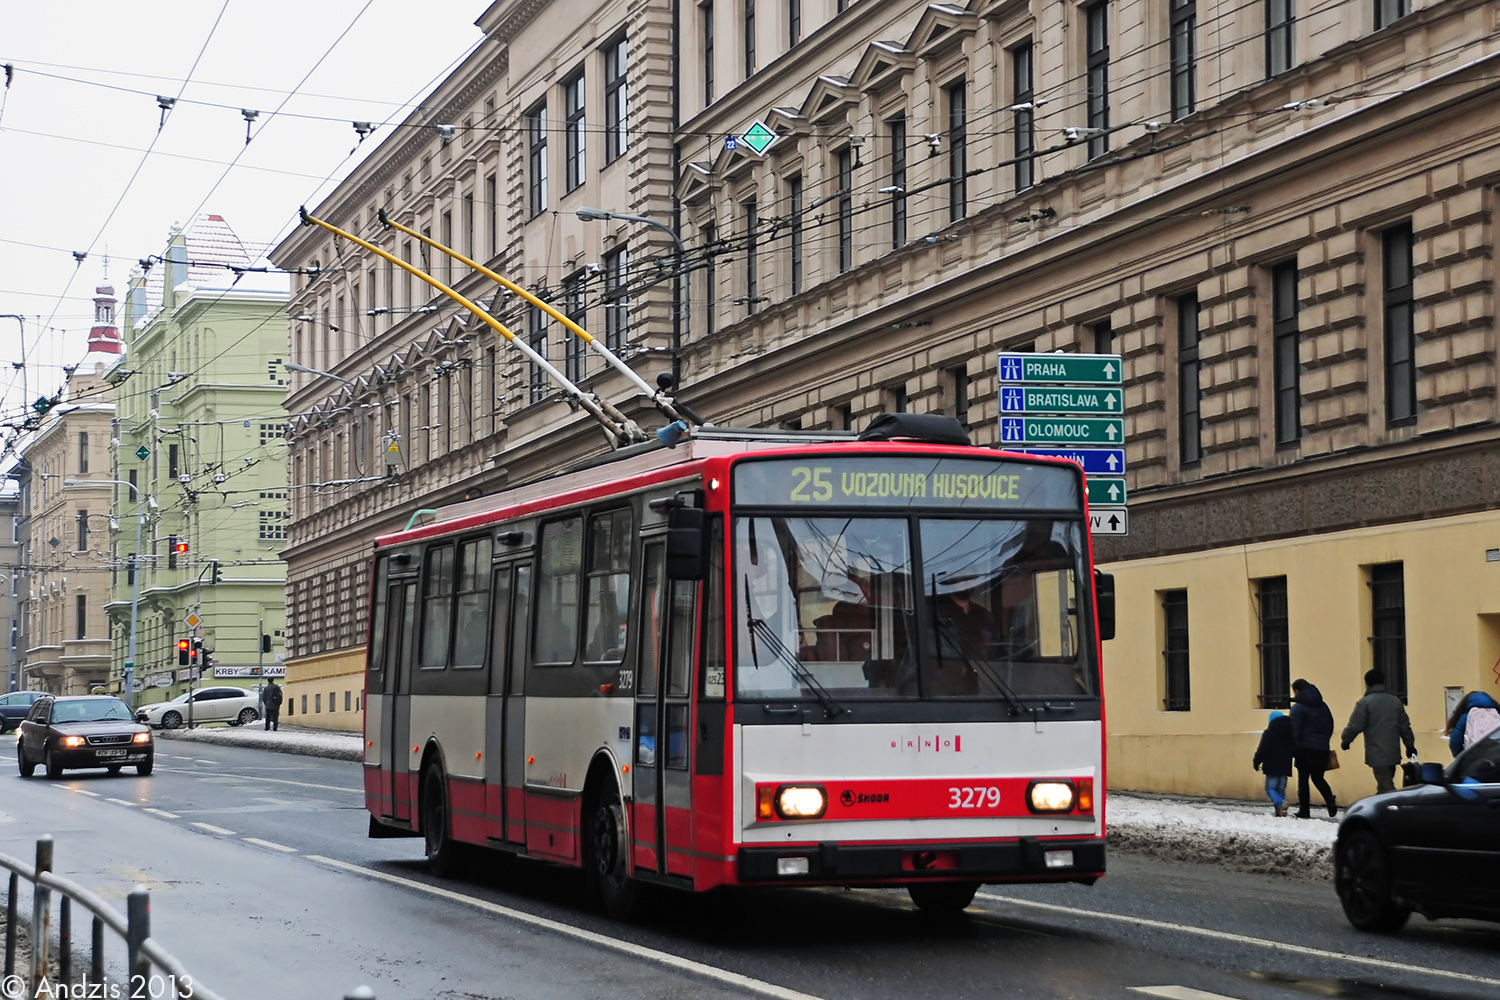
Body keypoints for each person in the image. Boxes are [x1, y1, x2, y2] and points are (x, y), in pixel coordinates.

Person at [1340, 668, 1417, 795]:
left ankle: (1398, 809)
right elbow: (1405, 727)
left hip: (1376, 753)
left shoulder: (1365, 703)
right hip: (1393, 752)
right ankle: (1382, 811)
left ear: (1367, 684)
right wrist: (1410, 746)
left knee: (1386, 786)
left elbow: (1355, 726)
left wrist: (1345, 741)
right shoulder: (1395, 702)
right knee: (1383, 785)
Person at [1289, 677, 1337, 818]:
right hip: (1321, 748)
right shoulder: (1323, 706)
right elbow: (1330, 725)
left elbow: (1294, 730)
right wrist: (1323, 741)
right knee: (1318, 777)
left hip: (1304, 748)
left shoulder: (1298, 708)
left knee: (1303, 779)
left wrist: (1292, 747)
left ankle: (1304, 810)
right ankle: (1329, 799)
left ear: (1296, 691)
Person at [1253, 710, 1296, 816]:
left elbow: (1262, 749)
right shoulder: (1290, 732)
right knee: (1280, 789)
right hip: (1285, 766)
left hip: (1272, 766)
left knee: (1270, 788)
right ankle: (1280, 811)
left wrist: (1256, 761)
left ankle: (1281, 803)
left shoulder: (1269, 732)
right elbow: (1294, 749)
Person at [1445, 690, 1500, 757]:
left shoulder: (1467, 717)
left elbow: (1455, 741)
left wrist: (1461, 759)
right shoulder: (1497, 715)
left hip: (1476, 759)